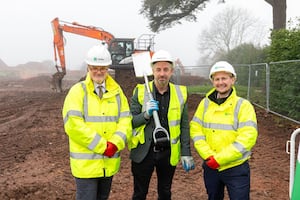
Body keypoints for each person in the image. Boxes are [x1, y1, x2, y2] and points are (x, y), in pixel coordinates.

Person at [62, 44, 132, 200]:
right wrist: (103, 146)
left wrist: (115, 143)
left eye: (102, 68)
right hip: (86, 167)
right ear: (88, 67)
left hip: (108, 164)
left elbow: (126, 120)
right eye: (94, 67)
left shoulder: (117, 92)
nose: (99, 71)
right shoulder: (77, 92)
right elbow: (73, 125)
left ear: (108, 68)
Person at [129, 50, 195, 200]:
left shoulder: (181, 93)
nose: (162, 74)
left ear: (171, 71)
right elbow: (130, 122)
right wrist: (145, 115)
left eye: (166, 69)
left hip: (168, 152)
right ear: (152, 71)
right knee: (139, 193)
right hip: (143, 152)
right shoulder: (140, 91)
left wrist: (186, 152)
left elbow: (184, 126)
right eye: (158, 69)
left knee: (165, 192)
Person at [190, 61, 258, 200]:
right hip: (211, 166)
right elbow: (196, 130)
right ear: (212, 81)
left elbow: (247, 137)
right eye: (217, 79)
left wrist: (219, 159)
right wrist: (208, 155)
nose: (220, 82)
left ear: (232, 79)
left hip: (236, 168)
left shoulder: (243, 106)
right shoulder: (205, 103)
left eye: (224, 78)